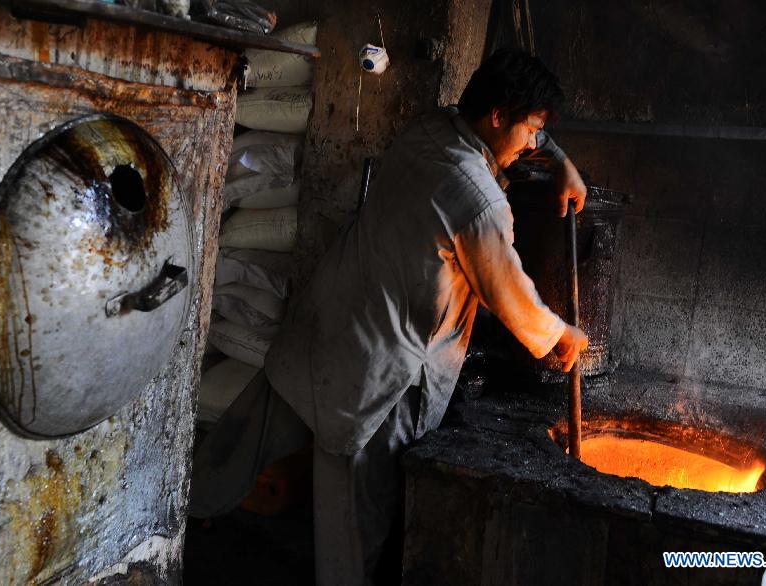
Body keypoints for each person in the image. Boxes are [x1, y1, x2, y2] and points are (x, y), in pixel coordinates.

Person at [189, 49, 589, 585]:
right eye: (531, 130)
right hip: (378, 374)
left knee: (240, 443)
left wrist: (559, 158)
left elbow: (493, 124)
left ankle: (180, 514)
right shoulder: (479, 201)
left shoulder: (429, 129)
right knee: (351, 526)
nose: (530, 145)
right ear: (498, 116)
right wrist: (561, 335)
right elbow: (509, 295)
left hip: (324, 323)